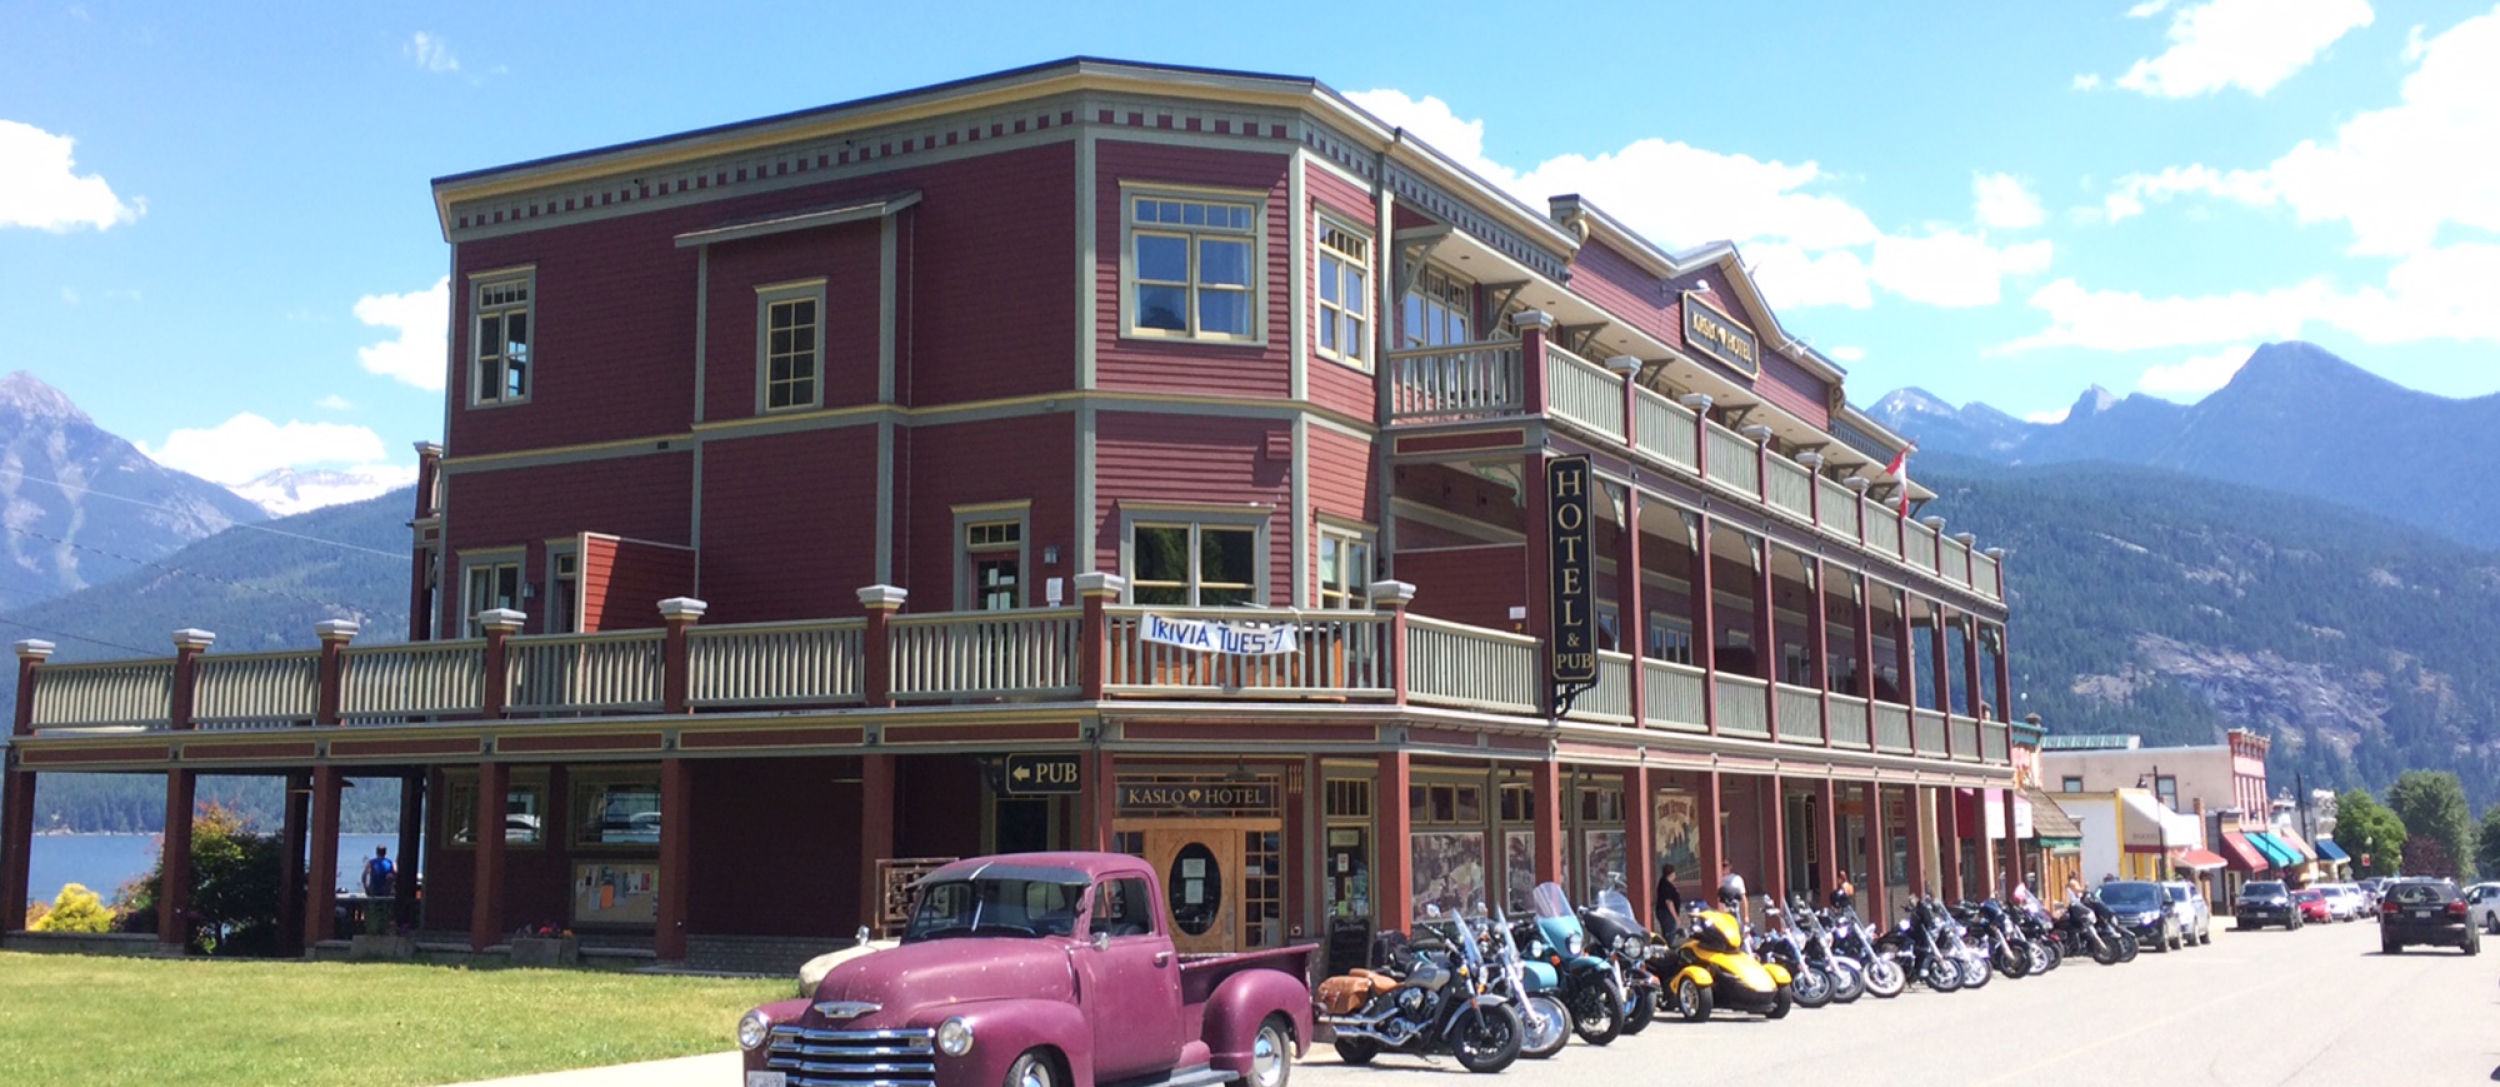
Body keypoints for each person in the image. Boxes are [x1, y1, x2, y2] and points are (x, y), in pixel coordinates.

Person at [1654, 863, 1685, 932]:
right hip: (1667, 913)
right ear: (1672, 874)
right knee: (1670, 933)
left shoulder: (1663, 883)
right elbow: (1669, 902)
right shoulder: (1667, 886)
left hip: (1663, 912)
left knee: (1667, 931)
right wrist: (1676, 917)